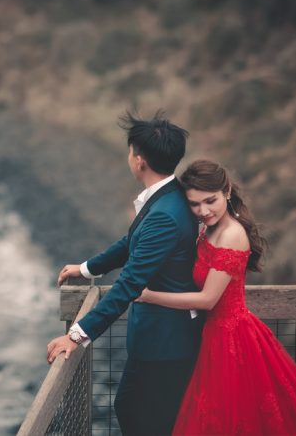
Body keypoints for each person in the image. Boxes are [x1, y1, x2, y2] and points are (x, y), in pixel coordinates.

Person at [137, 160, 296, 435]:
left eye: (210, 201)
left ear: (227, 191)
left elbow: (207, 300)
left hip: (233, 338)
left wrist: (148, 296)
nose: (203, 211)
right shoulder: (209, 228)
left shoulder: (232, 235)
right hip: (213, 335)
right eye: (194, 204)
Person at [48, 110, 203, 435]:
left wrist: (76, 335)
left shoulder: (165, 213)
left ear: (139, 159)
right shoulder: (168, 196)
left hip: (166, 342)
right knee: (137, 410)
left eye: (130, 152)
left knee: (143, 415)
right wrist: (87, 268)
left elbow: (129, 282)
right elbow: (132, 241)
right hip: (160, 338)